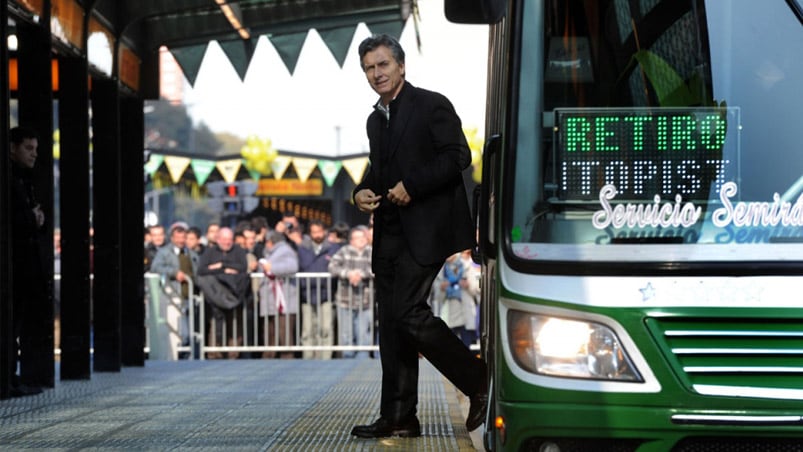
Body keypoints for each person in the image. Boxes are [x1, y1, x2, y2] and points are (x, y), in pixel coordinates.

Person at [350, 34, 487, 438]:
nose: (377, 74)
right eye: (369, 68)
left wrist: (413, 184)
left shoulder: (431, 103)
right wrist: (359, 191)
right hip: (388, 232)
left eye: (383, 65)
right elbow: (378, 170)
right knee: (392, 325)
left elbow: (459, 155)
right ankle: (399, 416)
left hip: (426, 228)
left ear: (401, 66)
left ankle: (478, 380)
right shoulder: (375, 120)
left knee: (408, 311)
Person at [8, 126, 46, 397]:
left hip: (23, 266)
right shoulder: (10, 179)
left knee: (17, 322)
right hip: (13, 265)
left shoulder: (25, 179)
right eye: (28, 148)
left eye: (35, 149)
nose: (33, 154)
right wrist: (32, 219)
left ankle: (11, 375)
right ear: (12, 147)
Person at [196, 227, 250, 359]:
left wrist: (220, 266)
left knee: (235, 323)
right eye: (224, 239)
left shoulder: (238, 251)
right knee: (215, 322)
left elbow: (242, 267)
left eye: (230, 239)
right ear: (217, 239)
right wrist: (223, 268)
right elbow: (202, 270)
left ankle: (233, 352)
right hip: (215, 294)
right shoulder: (210, 252)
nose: (227, 242)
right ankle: (215, 351)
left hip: (234, 293)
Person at [149, 223, 199, 357]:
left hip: (190, 295)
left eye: (183, 237)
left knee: (192, 330)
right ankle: (180, 356)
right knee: (182, 332)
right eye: (178, 237)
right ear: (172, 238)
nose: (181, 241)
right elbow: (155, 267)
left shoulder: (191, 253)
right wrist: (173, 273)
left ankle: (189, 356)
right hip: (174, 296)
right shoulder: (164, 252)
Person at [328, 226, 373, 359]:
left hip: (366, 300)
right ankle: (347, 359)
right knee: (346, 333)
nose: (361, 240)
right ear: (351, 240)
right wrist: (348, 274)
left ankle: (363, 360)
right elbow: (332, 266)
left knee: (364, 332)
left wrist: (361, 275)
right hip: (345, 300)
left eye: (363, 237)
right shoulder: (344, 251)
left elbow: (378, 269)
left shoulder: (371, 252)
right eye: (358, 238)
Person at [297, 220, 340, 359]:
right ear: (310, 233)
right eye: (314, 232)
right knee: (307, 329)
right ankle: (308, 357)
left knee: (326, 328)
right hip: (307, 293)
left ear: (325, 232)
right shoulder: (303, 248)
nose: (317, 235)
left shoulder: (333, 248)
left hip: (326, 293)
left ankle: (325, 358)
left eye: (319, 231)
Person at [257, 230, 299, 358]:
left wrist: (272, 268)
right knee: (270, 332)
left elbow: (292, 267)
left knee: (284, 333)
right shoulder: (271, 252)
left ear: (270, 242)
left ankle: (286, 358)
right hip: (271, 299)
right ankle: (270, 357)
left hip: (284, 300)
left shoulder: (286, 251)